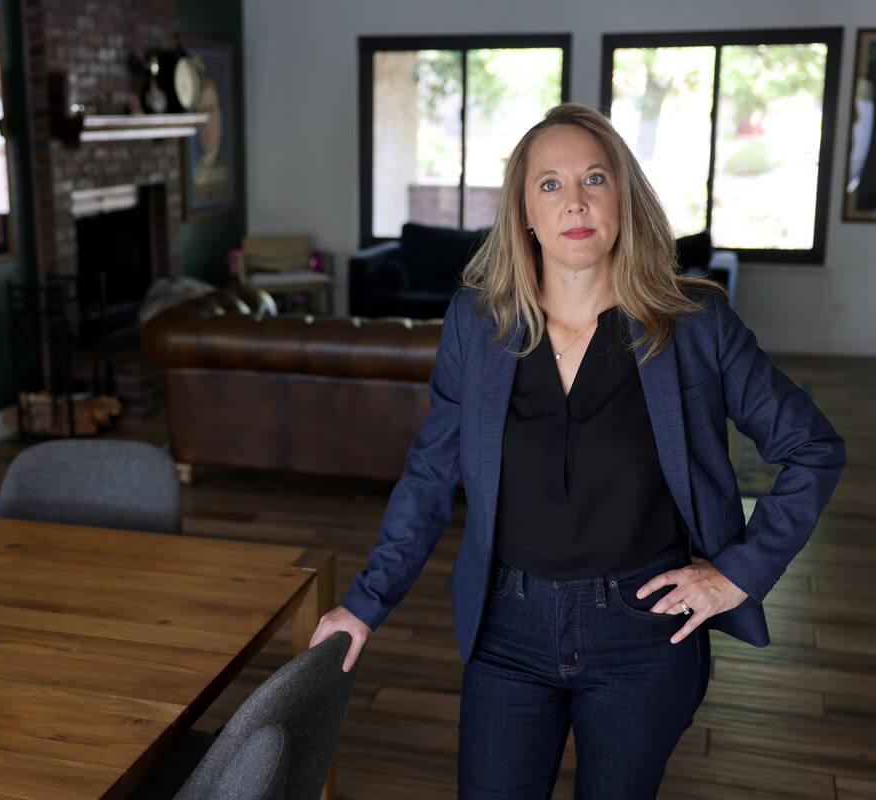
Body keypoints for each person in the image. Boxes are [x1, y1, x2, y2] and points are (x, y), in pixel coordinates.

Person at [309, 103, 846, 799]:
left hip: (645, 635)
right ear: (524, 212)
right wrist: (364, 602)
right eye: (551, 184)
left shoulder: (694, 323)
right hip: (507, 629)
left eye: (595, 177)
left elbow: (813, 449)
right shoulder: (479, 324)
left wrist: (736, 574)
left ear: (623, 195)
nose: (577, 201)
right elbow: (430, 475)